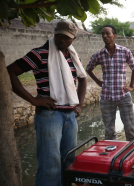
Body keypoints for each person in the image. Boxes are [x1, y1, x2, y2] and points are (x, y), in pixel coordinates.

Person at [7, 20, 87, 186]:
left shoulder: (73, 55)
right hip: (50, 116)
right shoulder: (40, 54)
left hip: (70, 116)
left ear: (73, 39)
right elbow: (10, 71)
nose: (61, 40)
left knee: (69, 160)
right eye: (58, 35)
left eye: (66, 37)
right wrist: (34, 100)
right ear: (54, 33)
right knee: (50, 164)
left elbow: (82, 78)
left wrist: (79, 104)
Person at [86, 24, 134, 141]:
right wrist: (99, 82)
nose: (105, 36)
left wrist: (131, 86)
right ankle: (112, 154)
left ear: (114, 35)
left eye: (107, 33)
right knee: (109, 130)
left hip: (123, 95)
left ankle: (133, 152)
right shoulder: (99, 55)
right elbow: (88, 68)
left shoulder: (125, 51)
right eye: (103, 34)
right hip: (106, 96)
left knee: (129, 128)